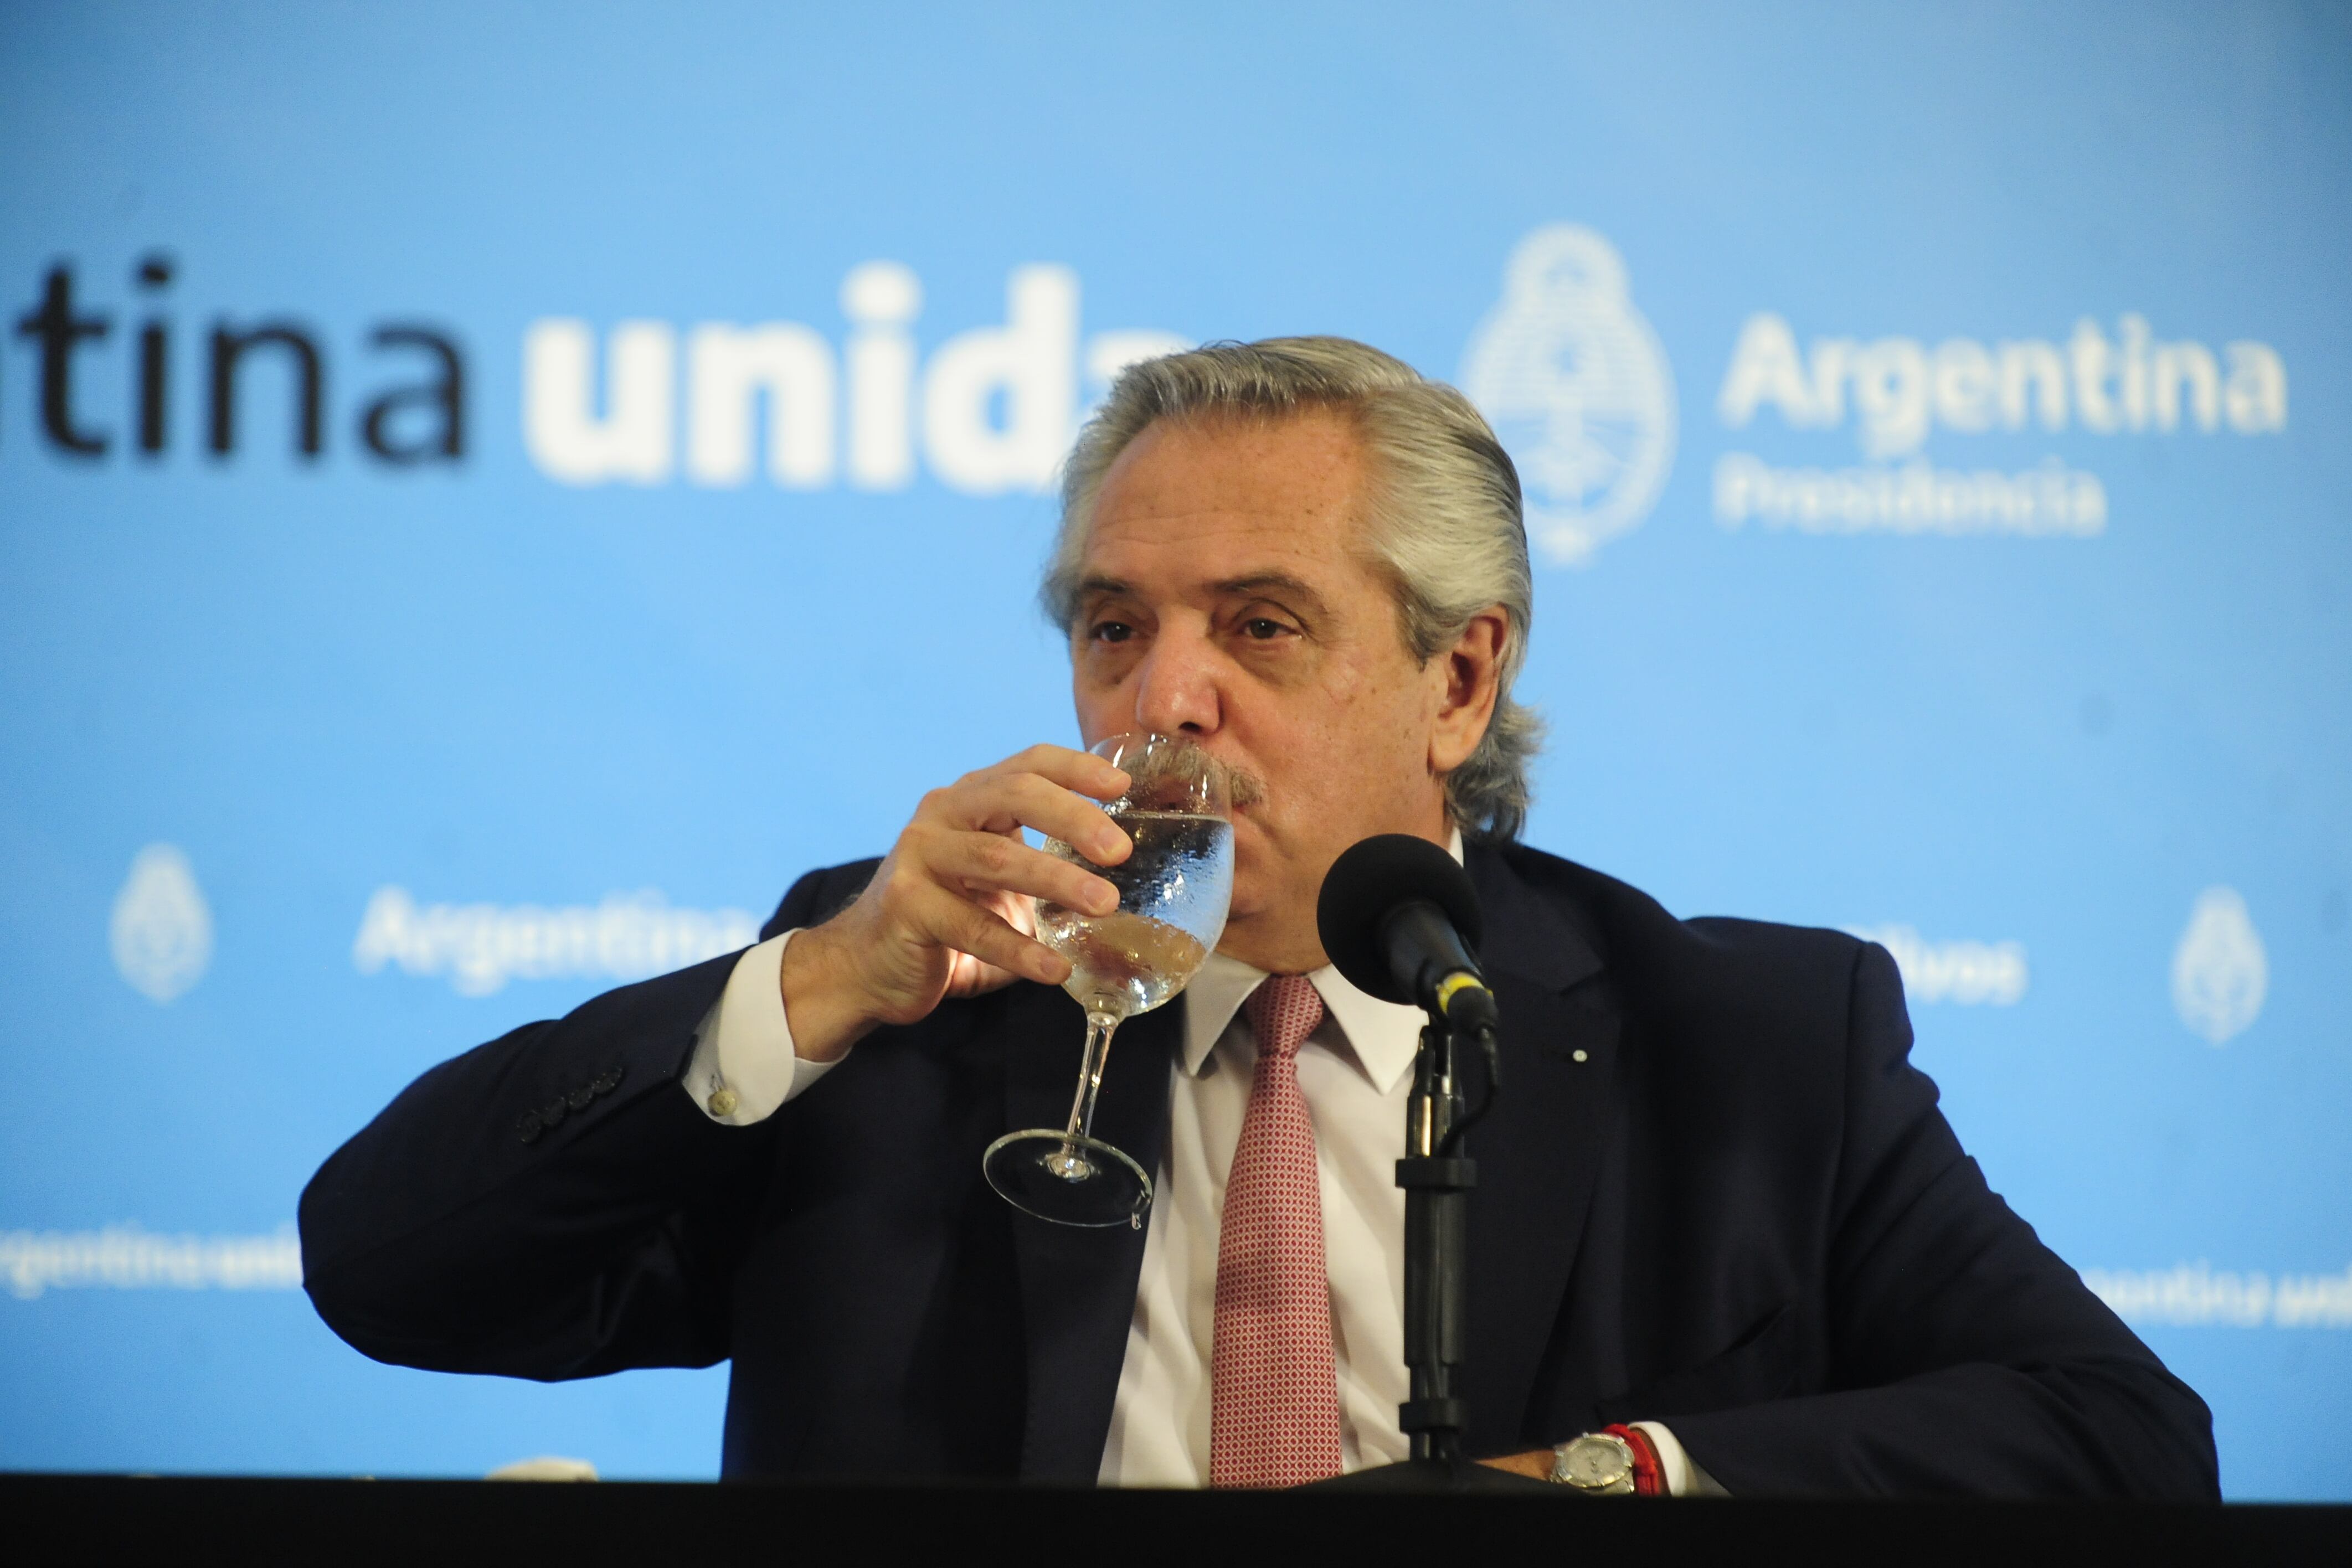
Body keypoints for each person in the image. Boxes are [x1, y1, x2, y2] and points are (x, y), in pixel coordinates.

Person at [300, 338, 2217, 1497]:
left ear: (1460, 681)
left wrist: (1624, 1482)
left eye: (1260, 626)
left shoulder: (1753, 1050)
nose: (1163, 700)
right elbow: (388, 1269)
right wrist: (810, 990)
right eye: (1114, 627)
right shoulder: (923, 998)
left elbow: (2125, 1441)